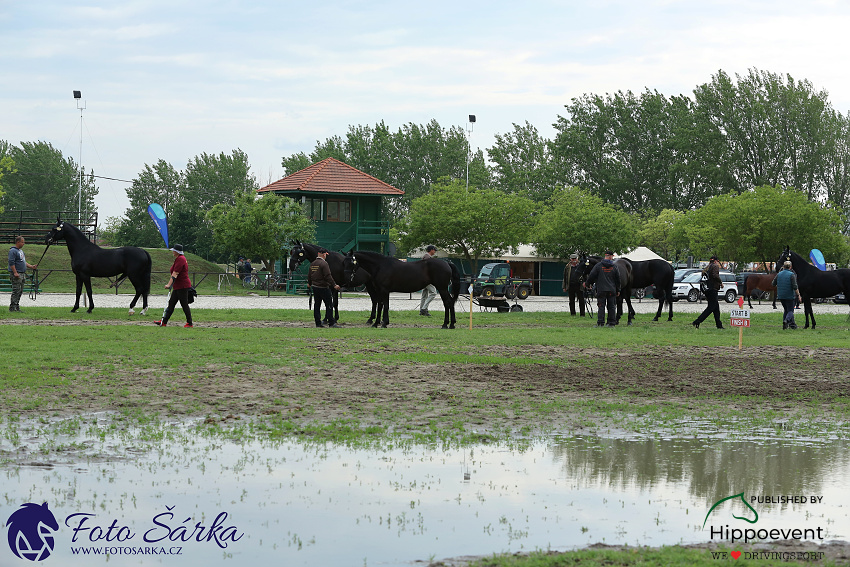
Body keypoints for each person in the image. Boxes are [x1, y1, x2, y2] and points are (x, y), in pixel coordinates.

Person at [155, 244, 193, 328]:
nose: (172, 251)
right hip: (177, 285)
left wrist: (169, 284)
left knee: (184, 304)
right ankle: (164, 322)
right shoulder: (178, 259)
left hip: (182, 285)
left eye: (174, 250)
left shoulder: (181, 259)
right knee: (171, 303)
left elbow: (175, 273)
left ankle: (189, 323)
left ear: (176, 251)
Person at [584, 250, 620, 327]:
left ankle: (600, 323)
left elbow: (591, 276)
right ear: (610, 256)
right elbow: (618, 279)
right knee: (612, 307)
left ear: (605, 256)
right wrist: (618, 289)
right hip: (611, 290)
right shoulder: (614, 266)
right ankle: (612, 323)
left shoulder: (598, 266)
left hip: (601, 289)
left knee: (601, 306)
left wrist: (587, 284)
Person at [308, 247, 340, 328]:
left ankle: (318, 323)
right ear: (323, 254)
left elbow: (309, 275)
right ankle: (331, 323)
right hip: (323, 287)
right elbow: (328, 276)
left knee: (317, 305)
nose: (326, 256)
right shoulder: (324, 264)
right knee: (329, 305)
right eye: (326, 254)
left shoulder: (313, 263)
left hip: (315, 287)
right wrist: (334, 285)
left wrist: (309, 283)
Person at [692, 255, 723, 329]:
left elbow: (703, 275)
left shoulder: (707, 267)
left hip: (707, 289)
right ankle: (697, 321)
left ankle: (719, 325)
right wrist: (720, 282)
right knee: (711, 307)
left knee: (716, 308)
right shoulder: (715, 266)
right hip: (713, 289)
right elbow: (715, 275)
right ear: (716, 261)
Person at [8, 236, 38, 312]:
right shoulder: (13, 251)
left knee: (20, 291)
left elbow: (23, 262)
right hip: (17, 274)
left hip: (22, 273)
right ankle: (12, 307)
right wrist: (15, 272)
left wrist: (31, 266)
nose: (23, 243)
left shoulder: (20, 251)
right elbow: (11, 262)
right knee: (16, 290)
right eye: (22, 242)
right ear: (18, 242)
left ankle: (17, 306)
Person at [772, 260, 802, 329]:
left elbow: (773, 284)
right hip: (790, 296)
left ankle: (787, 325)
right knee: (791, 310)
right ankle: (786, 320)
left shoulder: (779, 274)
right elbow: (795, 286)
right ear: (790, 267)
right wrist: (798, 295)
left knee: (786, 310)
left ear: (783, 266)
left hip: (781, 296)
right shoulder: (792, 275)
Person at [420, 245, 438, 316]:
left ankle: (421, 310)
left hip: (423, 278)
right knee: (433, 293)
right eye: (434, 250)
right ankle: (424, 309)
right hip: (426, 279)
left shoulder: (426, 256)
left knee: (424, 295)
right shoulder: (427, 257)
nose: (435, 251)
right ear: (431, 250)